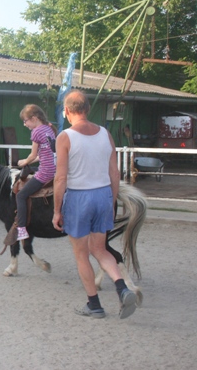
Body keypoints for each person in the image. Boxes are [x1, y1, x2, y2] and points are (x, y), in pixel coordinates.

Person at [52, 90, 137, 319]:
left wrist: (57, 210)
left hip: (78, 198)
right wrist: (111, 201)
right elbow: (115, 173)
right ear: (88, 109)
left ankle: (94, 305)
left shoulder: (65, 137)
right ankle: (122, 288)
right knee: (100, 249)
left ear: (67, 110)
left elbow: (60, 178)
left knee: (82, 255)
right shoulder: (105, 134)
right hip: (103, 195)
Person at [14, 104, 57, 241]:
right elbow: (45, 153)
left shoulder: (36, 132)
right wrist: (29, 161)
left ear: (34, 118)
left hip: (46, 172)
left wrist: (24, 162)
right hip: (55, 169)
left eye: (25, 121)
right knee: (32, 171)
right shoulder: (49, 129)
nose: (24, 124)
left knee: (21, 195)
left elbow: (33, 155)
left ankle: (21, 228)